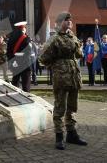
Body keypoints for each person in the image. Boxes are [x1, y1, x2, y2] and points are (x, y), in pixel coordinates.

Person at [40, 12, 87, 150]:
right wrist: (56, 66)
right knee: (60, 107)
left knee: (72, 106)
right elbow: (43, 58)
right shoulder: (54, 39)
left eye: (70, 20)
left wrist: (79, 47)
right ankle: (59, 137)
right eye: (67, 20)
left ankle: (71, 134)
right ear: (60, 23)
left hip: (73, 75)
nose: (70, 22)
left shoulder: (72, 36)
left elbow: (79, 54)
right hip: (61, 77)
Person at [7, 21, 33, 92]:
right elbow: (28, 51)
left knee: (15, 82)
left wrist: (12, 61)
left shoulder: (11, 38)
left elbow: (8, 52)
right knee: (26, 83)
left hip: (15, 62)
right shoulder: (26, 38)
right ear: (23, 29)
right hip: (25, 63)